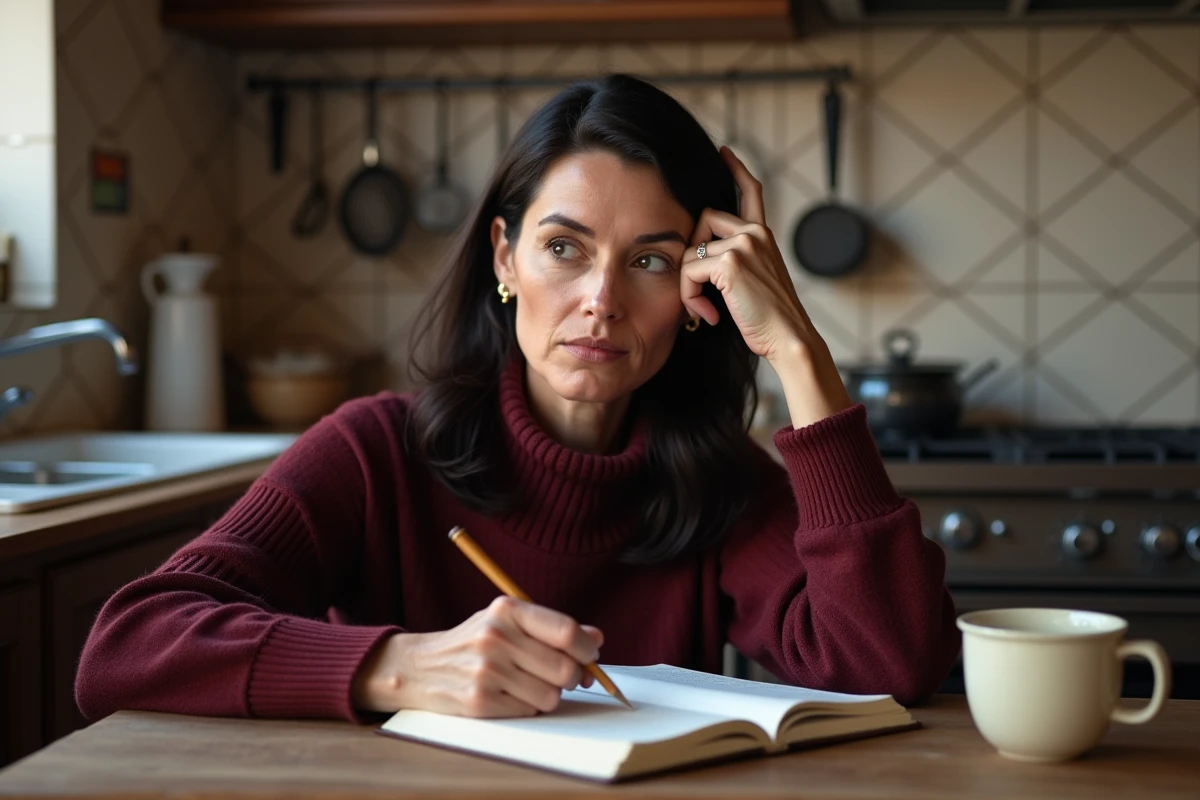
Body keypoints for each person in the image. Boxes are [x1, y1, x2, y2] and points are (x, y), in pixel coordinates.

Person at [75, 74, 959, 724]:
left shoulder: (719, 488)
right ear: (505, 258)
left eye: (649, 260)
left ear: (701, 294)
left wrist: (799, 351)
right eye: (564, 249)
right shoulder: (375, 451)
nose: (602, 301)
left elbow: (894, 664)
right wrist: (395, 666)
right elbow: (128, 643)